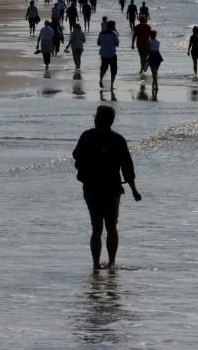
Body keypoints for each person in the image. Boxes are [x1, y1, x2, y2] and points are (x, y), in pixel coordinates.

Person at [73, 105, 142, 269]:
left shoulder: (87, 136)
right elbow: (127, 168)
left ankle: (96, 265)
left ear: (100, 119)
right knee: (112, 227)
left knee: (97, 228)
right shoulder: (117, 139)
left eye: (96, 116)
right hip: (112, 189)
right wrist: (134, 190)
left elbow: (76, 156)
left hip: (92, 188)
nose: (94, 118)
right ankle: (111, 263)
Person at [97, 20, 120, 89]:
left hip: (103, 53)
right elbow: (117, 44)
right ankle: (112, 85)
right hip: (112, 53)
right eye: (114, 26)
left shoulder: (101, 33)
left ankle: (101, 80)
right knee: (113, 69)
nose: (114, 27)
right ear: (111, 26)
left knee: (103, 68)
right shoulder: (113, 34)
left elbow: (98, 43)